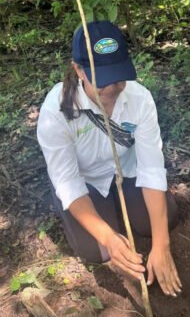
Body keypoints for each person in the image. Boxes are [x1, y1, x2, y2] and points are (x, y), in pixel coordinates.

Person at [36, 20, 181, 297]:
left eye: (118, 76)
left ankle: (123, 214)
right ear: (78, 69)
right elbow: (68, 182)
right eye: (102, 80)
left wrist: (162, 245)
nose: (113, 87)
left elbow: (151, 167)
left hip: (127, 174)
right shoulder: (56, 111)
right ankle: (102, 224)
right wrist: (108, 238)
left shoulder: (140, 99)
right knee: (97, 250)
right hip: (87, 183)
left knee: (165, 220)